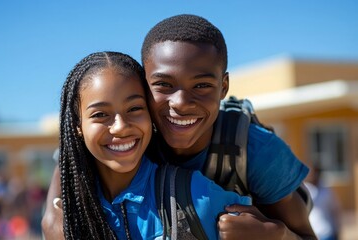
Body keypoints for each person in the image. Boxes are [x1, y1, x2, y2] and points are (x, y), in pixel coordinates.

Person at [42, 14, 316, 239]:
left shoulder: (254, 151)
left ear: (223, 87)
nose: (181, 103)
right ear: (143, 86)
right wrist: (54, 213)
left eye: (201, 85)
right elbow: (72, 155)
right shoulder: (133, 132)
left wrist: (277, 235)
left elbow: (307, 234)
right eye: (163, 85)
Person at [57, 51, 251, 239]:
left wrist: (279, 233)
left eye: (134, 108)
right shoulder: (74, 210)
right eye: (100, 114)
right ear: (77, 126)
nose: (121, 127)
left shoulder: (195, 195)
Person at [305, 165, 341, 240]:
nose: (311, 175)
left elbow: (335, 211)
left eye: (313, 173)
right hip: (311, 234)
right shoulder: (304, 191)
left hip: (327, 233)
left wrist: (337, 230)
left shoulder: (327, 191)